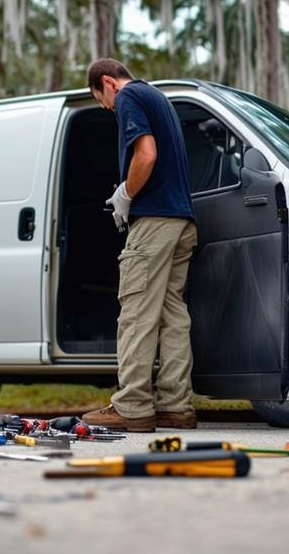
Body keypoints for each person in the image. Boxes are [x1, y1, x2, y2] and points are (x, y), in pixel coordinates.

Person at [80, 58, 198, 432]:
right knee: (172, 316)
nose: (107, 108)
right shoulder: (159, 98)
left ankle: (131, 405)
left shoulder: (129, 96)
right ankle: (176, 406)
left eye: (103, 101)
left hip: (154, 222)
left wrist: (126, 194)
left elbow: (145, 154)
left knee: (135, 314)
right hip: (182, 221)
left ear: (107, 83)